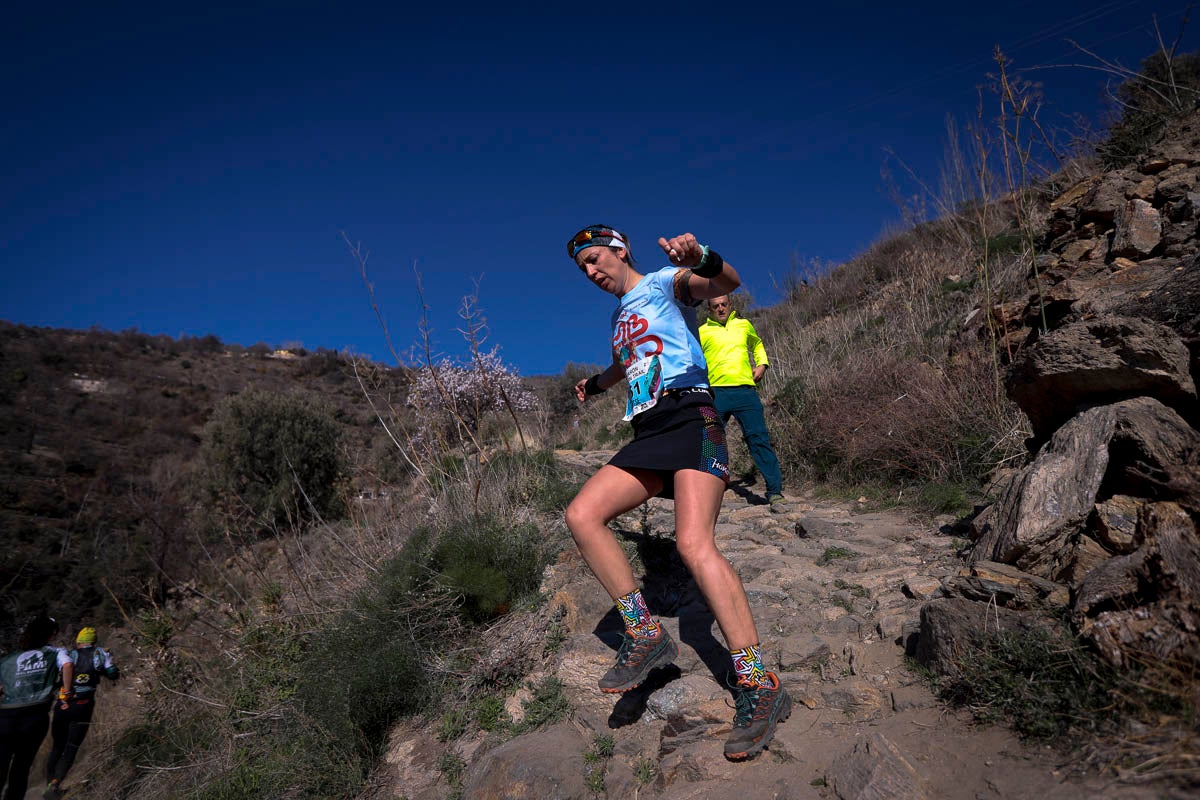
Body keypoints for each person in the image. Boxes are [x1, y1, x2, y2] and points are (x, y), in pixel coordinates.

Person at [565, 224, 792, 761]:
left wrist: (703, 256)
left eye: (595, 259)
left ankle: (758, 683)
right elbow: (629, 362)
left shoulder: (665, 281)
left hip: (692, 416)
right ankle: (644, 633)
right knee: (582, 515)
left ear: (621, 250)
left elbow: (724, 283)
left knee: (694, 545)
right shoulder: (620, 317)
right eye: (583, 268)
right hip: (649, 431)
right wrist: (597, 384)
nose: (591, 272)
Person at [698, 295, 786, 511]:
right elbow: (692, 359)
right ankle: (709, 488)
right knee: (709, 440)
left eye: (724, 305)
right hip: (714, 393)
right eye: (715, 306)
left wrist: (762, 364)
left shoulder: (744, 325)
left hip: (746, 392)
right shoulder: (701, 331)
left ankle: (775, 492)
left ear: (730, 305)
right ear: (709, 309)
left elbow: (757, 344)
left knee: (759, 439)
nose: (720, 309)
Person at [0, 614, 72, 800]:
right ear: (52, 634)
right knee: (22, 766)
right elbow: (67, 665)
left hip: (6, 716)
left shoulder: (8, 660)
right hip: (35, 715)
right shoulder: (56, 652)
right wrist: (67, 692)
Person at [44, 627, 121, 797]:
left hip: (63, 704)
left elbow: (55, 678)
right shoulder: (101, 654)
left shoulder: (68, 655)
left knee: (57, 747)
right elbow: (113, 674)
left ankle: (49, 784)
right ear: (94, 641)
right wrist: (108, 664)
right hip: (83, 706)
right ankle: (56, 783)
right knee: (71, 747)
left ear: (79, 642)